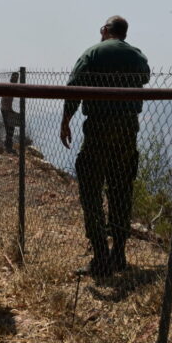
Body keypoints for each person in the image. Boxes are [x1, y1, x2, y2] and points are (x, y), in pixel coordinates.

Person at [60, 15, 150, 276]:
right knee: (121, 190)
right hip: (126, 130)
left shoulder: (93, 53)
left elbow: (74, 85)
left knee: (90, 189)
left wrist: (66, 119)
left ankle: (100, 255)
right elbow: (145, 77)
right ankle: (119, 253)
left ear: (105, 30)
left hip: (98, 128)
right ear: (124, 33)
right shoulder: (137, 55)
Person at [0, 73, 21, 153]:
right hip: (6, 110)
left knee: (10, 127)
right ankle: (8, 147)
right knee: (10, 128)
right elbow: (6, 100)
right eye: (15, 78)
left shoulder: (11, 87)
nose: (16, 80)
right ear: (12, 78)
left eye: (17, 78)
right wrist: (9, 110)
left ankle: (8, 146)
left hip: (6, 109)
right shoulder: (9, 87)